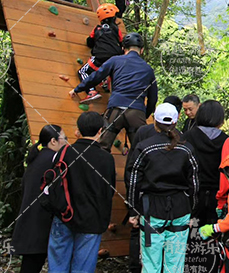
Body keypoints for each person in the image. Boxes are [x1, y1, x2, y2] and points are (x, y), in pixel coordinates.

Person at [126, 103, 199, 273]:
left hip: (151, 211)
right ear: (177, 120)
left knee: (151, 263)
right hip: (180, 210)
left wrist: (133, 210)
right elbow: (195, 183)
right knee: (175, 263)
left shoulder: (144, 147)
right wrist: (192, 210)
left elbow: (133, 180)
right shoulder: (186, 148)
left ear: (154, 121)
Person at [47, 112, 116, 273]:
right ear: (100, 130)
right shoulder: (106, 158)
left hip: (64, 215)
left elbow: (53, 183)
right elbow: (109, 190)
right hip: (92, 219)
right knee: (83, 268)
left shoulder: (65, 152)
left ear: (78, 130)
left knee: (57, 264)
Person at [69, 32, 158, 151]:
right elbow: (153, 98)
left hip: (116, 108)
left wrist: (77, 88)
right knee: (140, 150)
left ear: (123, 48)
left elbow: (96, 76)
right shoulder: (148, 69)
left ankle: (100, 168)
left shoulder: (115, 60)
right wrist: (143, 114)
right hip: (136, 111)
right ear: (141, 50)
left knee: (102, 147)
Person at [12, 125, 67, 273]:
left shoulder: (36, 158)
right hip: (40, 220)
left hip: (30, 219)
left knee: (31, 263)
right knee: (32, 264)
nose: (66, 143)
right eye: (64, 138)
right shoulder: (53, 160)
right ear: (53, 141)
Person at [181, 100, 229, 225]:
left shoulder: (187, 137)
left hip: (192, 194)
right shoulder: (226, 141)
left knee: (192, 234)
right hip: (217, 195)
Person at [77, 3, 124, 103]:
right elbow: (121, 42)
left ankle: (91, 91)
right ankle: (106, 83)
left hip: (100, 57)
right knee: (111, 72)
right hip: (115, 59)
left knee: (83, 71)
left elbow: (89, 42)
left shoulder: (97, 29)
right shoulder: (116, 30)